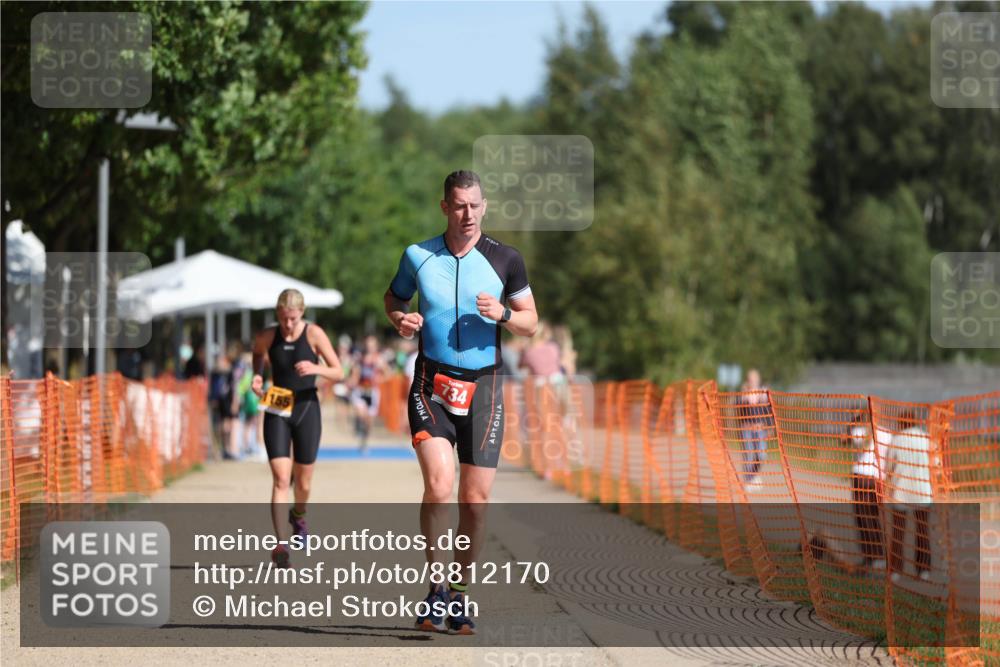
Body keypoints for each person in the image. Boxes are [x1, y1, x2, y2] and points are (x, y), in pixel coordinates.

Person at [385, 169, 537, 635]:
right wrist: (399, 319)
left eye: (474, 205)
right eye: (458, 205)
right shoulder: (418, 255)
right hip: (432, 383)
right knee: (438, 486)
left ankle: (460, 593)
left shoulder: (505, 259)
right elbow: (393, 298)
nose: (467, 214)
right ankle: (434, 591)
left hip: (485, 390)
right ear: (445, 207)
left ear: (483, 207)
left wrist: (505, 314)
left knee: (475, 500)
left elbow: (531, 322)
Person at [251, 289, 343, 567]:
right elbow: (257, 355)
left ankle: (299, 514)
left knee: (303, 481)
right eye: (282, 318)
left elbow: (339, 371)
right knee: (281, 478)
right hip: (278, 404)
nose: (287, 324)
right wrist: (257, 376)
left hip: (306, 407)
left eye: (292, 318)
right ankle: (280, 544)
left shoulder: (314, 334)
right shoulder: (267, 336)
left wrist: (317, 370)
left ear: (301, 313)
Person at [883, 410, 933, 582]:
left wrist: (887, 488)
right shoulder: (926, 439)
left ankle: (896, 571)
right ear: (914, 421)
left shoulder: (897, 440)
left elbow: (889, 467)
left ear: (901, 423)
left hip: (901, 492)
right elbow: (936, 464)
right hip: (922, 491)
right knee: (923, 531)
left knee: (898, 532)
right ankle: (924, 570)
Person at [848, 413, 885, 570]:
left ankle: (871, 556)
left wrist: (853, 421)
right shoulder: (885, 433)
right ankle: (878, 556)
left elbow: (849, 438)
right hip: (877, 479)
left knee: (863, 518)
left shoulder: (859, 431)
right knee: (874, 517)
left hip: (862, 477)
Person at [349, 335, 387, 451]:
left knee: (369, 420)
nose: (370, 347)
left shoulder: (379, 359)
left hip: (373, 392)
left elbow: (387, 373)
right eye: (368, 345)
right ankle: (358, 425)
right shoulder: (360, 359)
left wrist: (380, 378)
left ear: (376, 346)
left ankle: (364, 442)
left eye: (372, 345)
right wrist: (351, 382)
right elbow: (355, 374)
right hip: (360, 390)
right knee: (361, 413)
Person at [739, 369, 773, 491]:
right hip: (747, 428)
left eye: (754, 378)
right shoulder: (744, 393)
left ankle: (753, 476)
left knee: (761, 455)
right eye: (750, 379)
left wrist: (769, 426)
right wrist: (743, 398)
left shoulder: (763, 393)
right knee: (748, 455)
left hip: (760, 429)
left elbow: (768, 411)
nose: (753, 381)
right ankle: (748, 480)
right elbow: (738, 410)